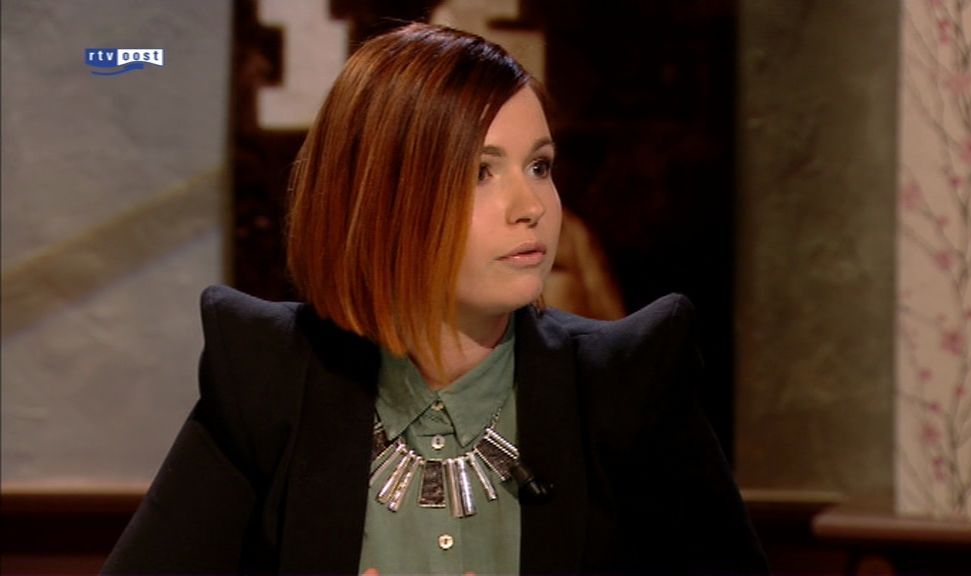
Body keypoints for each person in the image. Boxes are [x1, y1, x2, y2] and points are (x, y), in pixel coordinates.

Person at [103, 22, 768, 575]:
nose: (531, 206)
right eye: (481, 172)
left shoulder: (625, 386)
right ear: (380, 199)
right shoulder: (270, 381)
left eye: (539, 165)